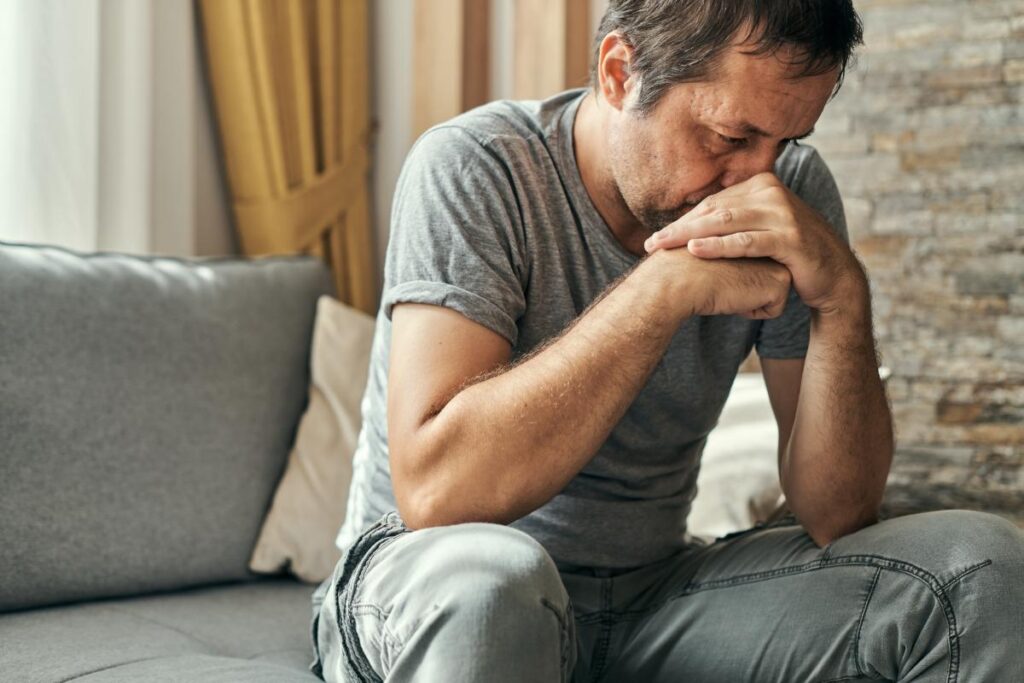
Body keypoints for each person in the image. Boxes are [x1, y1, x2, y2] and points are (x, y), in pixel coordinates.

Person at [309, 1, 1024, 680]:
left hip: (651, 594)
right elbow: (438, 491)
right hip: (430, 582)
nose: (756, 179)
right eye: (729, 137)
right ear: (621, 72)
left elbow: (838, 513)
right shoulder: (477, 167)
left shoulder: (790, 192)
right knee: (497, 586)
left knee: (981, 569)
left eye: (786, 142)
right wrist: (663, 288)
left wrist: (843, 295)